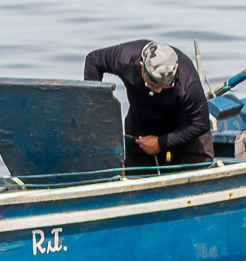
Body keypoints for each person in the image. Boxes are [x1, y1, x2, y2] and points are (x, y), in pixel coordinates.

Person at [83, 40, 214, 171]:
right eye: (152, 84)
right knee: (135, 179)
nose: (157, 91)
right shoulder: (125, 58)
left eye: (166, 86)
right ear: (141, 66)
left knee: (200, 175)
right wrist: (95, 111)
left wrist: (160, 143)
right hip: (140, 129)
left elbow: (200, 124)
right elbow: (93, 61)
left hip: (184, 130)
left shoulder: (188, 83)